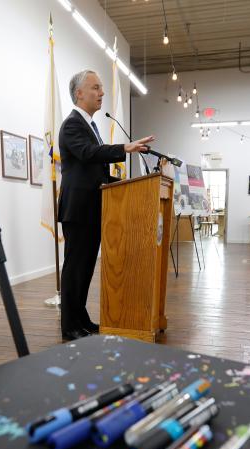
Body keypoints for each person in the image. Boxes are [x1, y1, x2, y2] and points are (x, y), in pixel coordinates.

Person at [58, 69, 154, 341]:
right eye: (96, 88)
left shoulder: (91, 126)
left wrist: (131, 183)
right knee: (75, 268)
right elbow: (88, 155)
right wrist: (125, 148)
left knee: (86, 268)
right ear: (79, 93)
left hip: (92, 208)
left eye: (101, 88)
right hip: (78, 210)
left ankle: (81, 319)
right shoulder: (72, 124)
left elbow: (95, 172)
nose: (102, 93)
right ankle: (70, 327)